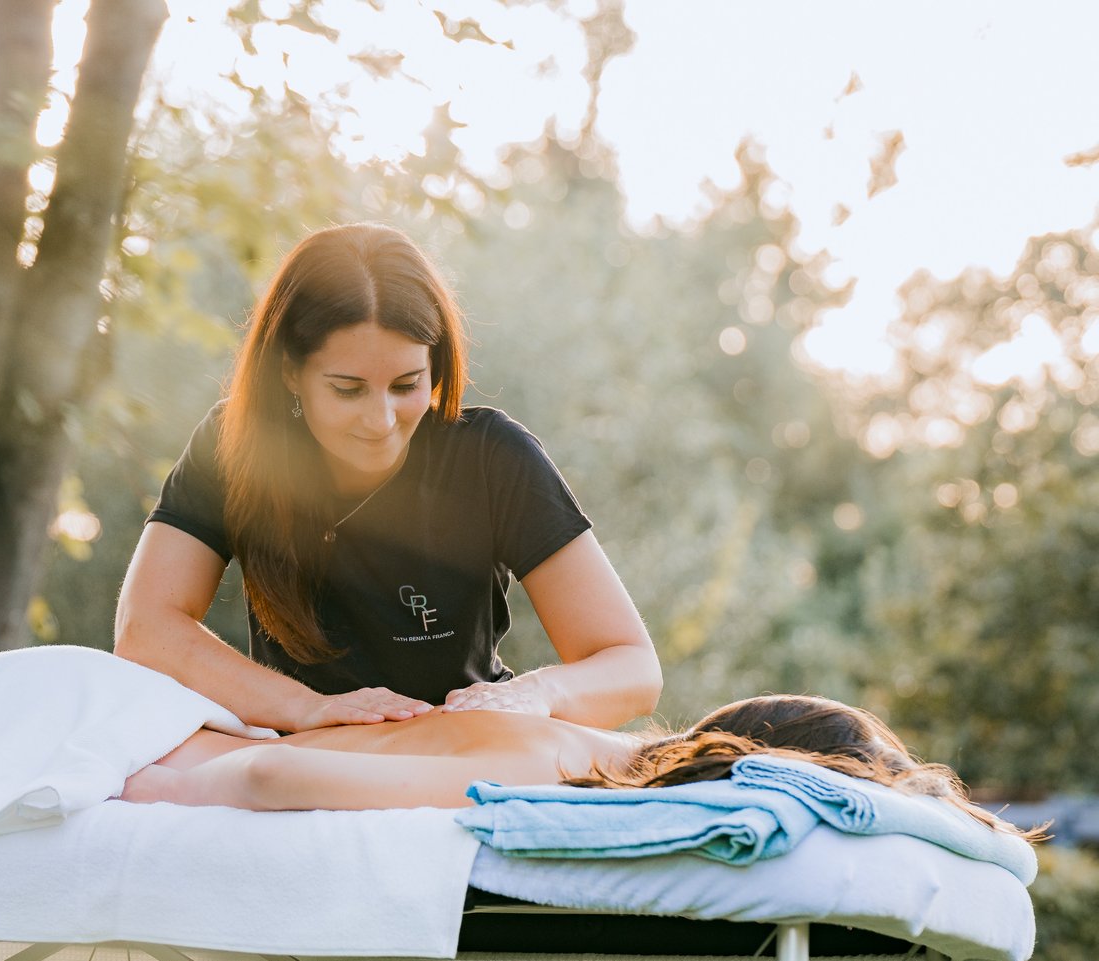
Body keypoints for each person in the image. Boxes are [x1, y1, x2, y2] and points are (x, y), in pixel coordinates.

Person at [114, 222, 661, 733]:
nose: (381, 421)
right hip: (306, 754)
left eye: (406, 385)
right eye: (348, 389)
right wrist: (308, 709)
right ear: (289, 373)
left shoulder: (494, 457)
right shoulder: (234, 444)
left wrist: (538, 695)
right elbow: (146, 629)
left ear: (437, 366)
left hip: (464, 749)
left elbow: (632, 668)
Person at [119, 692, 1041, 842]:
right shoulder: (557, 758)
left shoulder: (577, 754)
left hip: (161, 733)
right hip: (135, 737)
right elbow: (281, 780)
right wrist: (159, 790)